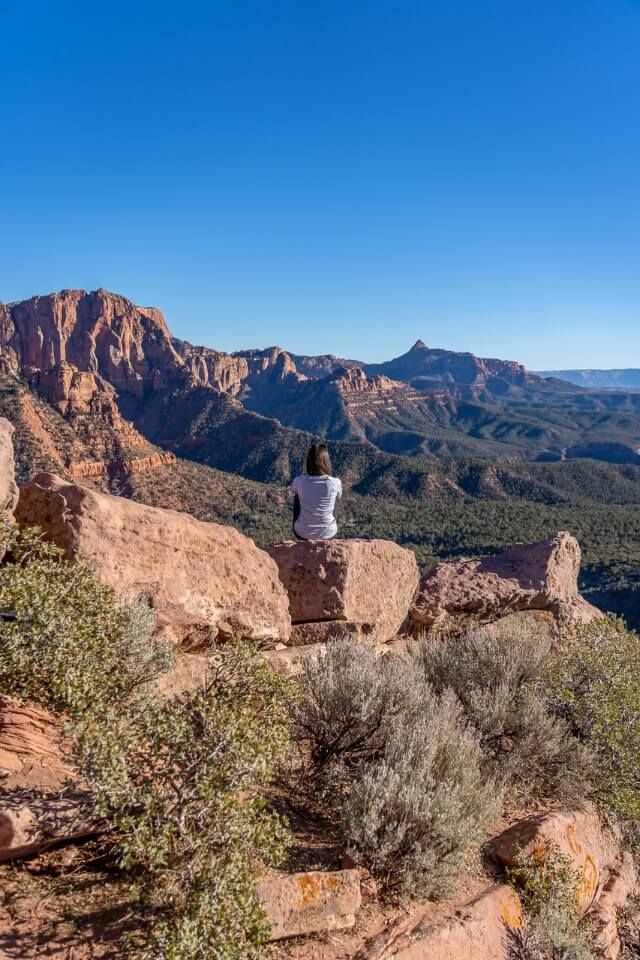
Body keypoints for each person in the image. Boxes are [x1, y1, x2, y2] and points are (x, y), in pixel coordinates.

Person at [292, 443, 342, 540]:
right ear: (326, 462)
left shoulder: (299, 481)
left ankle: (306, 525)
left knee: (297, 495)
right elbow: (338, 497)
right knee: (333, 497)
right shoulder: (336, 482)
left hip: (302, 533)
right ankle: (327, 524)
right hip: (329, 533)